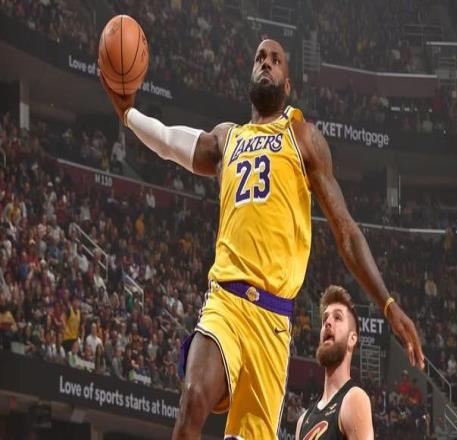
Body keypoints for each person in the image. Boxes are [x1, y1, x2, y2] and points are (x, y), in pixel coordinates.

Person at [101, 38, 424, 439]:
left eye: (275, 60)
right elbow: (169, 141)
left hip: (273, 322)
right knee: (194, 398)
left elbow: (345, 230)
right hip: (226, 302)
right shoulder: (227, 139)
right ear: (251, 75)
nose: (266, 63)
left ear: (287, 84)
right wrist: (129, 115)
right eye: (259, 58)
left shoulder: (303, 137)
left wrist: (388, 304)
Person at [296, 286, 373, 439]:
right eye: (325, 319)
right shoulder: (302, 421)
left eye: (337, 317)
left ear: (352, 339)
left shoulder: (354, 399)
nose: (328, 323)